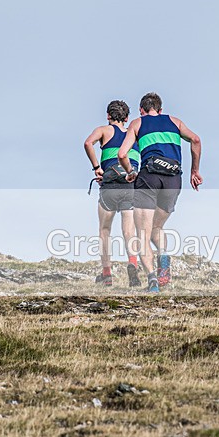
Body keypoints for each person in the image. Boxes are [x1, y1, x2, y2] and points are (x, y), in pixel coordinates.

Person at [118, 92, 203, 292]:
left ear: (141, 110)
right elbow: (196, 140)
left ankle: (152, 280)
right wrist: (194, 171)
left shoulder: (137, 124)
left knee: (143, 233)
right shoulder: (175, 121)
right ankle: (163, 262)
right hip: (174, 180)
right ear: (160, 109)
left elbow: (122, 153)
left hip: (149, 177)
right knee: (157, 227)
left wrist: (130, 172)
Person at [83, 100, 142, 287]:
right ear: (126, 118)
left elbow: (87, 143)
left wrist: (96, 168)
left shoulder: (104, 130)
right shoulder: (134, 135)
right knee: (128, 230)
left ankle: (106, 274)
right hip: (130, 183)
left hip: (109, 184)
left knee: (104, 229)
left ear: (108, 116)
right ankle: (133, 263)